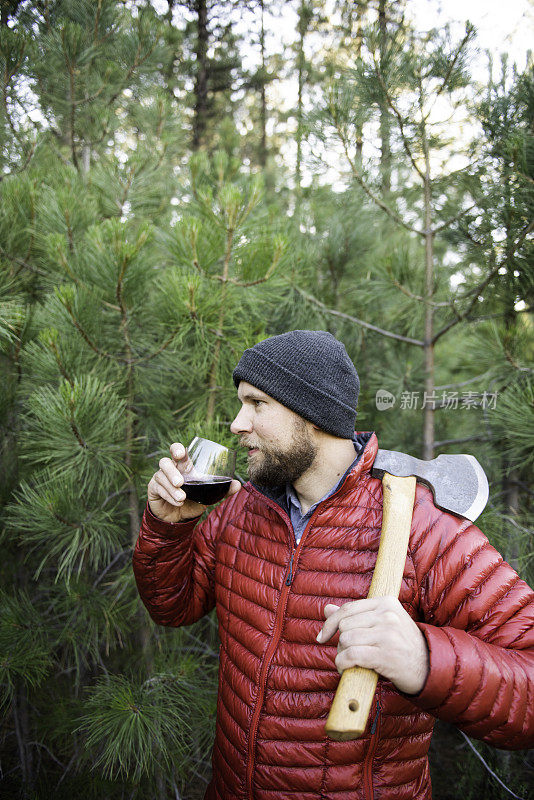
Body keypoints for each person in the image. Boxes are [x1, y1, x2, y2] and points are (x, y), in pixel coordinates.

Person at [133, 329, 534, 800]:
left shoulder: (422, 528)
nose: (237, 423)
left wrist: (425, 659)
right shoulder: (240, 510)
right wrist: (167, 527)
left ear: (313, 412)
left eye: (257, 403)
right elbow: (170, 607)